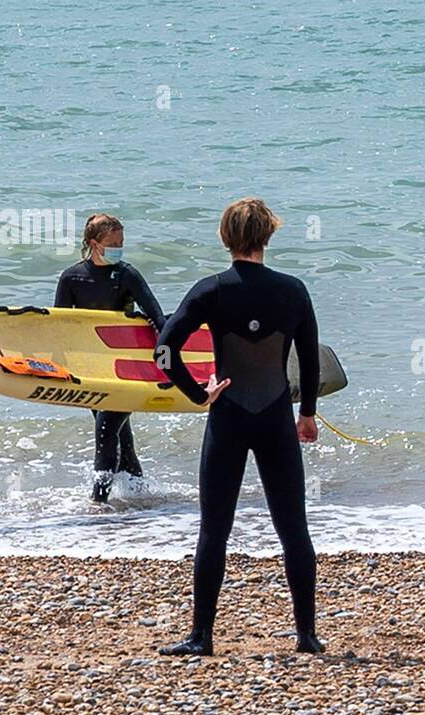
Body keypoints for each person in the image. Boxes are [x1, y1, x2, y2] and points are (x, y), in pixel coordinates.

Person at [155, 197, 323, 656]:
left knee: (214, 529)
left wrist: (197, 393)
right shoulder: (293, 290)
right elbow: (308, 358)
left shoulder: (211, 289)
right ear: (268, 235)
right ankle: (306, 635)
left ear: (225, 237)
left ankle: (200, 637)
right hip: (275, 419)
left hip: (227, 418)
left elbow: (164, 350)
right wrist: (305, 412)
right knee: (293, 528)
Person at [55, 214, 166, 503]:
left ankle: (99, 501)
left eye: (121, 243)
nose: (119, 248)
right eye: (113, 243)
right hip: (92, 370)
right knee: (121, 437)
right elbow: (59, 328)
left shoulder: (127, 275)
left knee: (106, 429)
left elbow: (156, 316)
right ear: (94, 243)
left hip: (126, 369)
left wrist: (169, 358)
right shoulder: (72, 278)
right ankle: (140, 497)